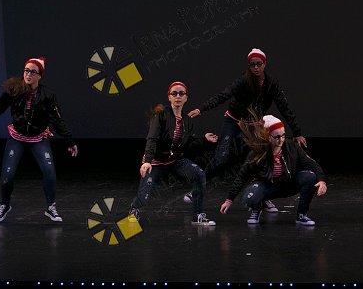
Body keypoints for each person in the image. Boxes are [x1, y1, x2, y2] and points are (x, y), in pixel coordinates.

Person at [188, 48, 307, 214]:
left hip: (254, 124)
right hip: (234, 120)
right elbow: (224, 95)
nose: (256, 67)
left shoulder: (271, 83)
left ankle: (262, 196)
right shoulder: (243, 80)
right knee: (221, 157)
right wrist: (202, 109)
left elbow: (284, 107)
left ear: (265, 64)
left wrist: (297, 132)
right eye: (252, 64)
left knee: (260, 159)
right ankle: (196, 189)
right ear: (249, 65)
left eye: (259, 64)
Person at [0, 57, 77, 223]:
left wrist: (70, 141)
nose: (28, 74)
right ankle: (4, 204)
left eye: (33, 72)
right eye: (26, 71)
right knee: (7, 175)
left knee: (49, 171)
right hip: (17, 137)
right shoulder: (14, 90)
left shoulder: (47, 95)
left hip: (38, 138)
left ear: (39, 76)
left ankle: (51, 206)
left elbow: (57, 120)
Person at [130, 81, 218, 225]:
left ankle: (198, 215)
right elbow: (152, 138)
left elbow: (188, 145)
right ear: (169, 97)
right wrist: (147, 161)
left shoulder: (187, 120)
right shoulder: (161, 115)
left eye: (181, 93)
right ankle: (135, 208)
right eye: (174, 93)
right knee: (144, 196)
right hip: (155, 162)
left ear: (186, 98)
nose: (178, 96)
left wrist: (204, 140)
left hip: (175, 161)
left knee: (199, 174)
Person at [220, 115, 326, 225]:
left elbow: (310, 163)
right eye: (277, 137)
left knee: (310, 177)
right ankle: (258, 207)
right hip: (268, 187)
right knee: (249, 198)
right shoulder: (258, 152)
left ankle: (301, 215)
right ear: (268, 136)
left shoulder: (291, 146)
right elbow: (242, 176)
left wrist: (322, 180)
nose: (281, 140)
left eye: (283, 135)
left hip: (287, 184)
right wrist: (229, 200)